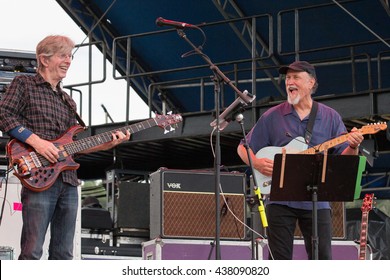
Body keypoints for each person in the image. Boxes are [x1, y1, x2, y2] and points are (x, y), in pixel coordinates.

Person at [0, 35, 130, 260]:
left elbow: (72, 147)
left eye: (70, 56)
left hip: (68, 181)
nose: (68, 61)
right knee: (32, 251)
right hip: (38, 175)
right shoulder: (24, 84)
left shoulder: (68, 101)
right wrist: (38, 143)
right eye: (62, 55)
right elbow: (4, 114)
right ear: (44, 59)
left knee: (64, 254)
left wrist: (106, 144)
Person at [237, 61, 364, 260]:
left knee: (322, 258)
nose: (290, 81)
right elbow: (243, 146)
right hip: (279, 199)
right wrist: (258, 164)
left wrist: (354, 145)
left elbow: (343, 161)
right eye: (288, 78)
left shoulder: (330, 117)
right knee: (279, 260)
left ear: (311, 82)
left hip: (317, 200)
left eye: (296, 77)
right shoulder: (272, 116)